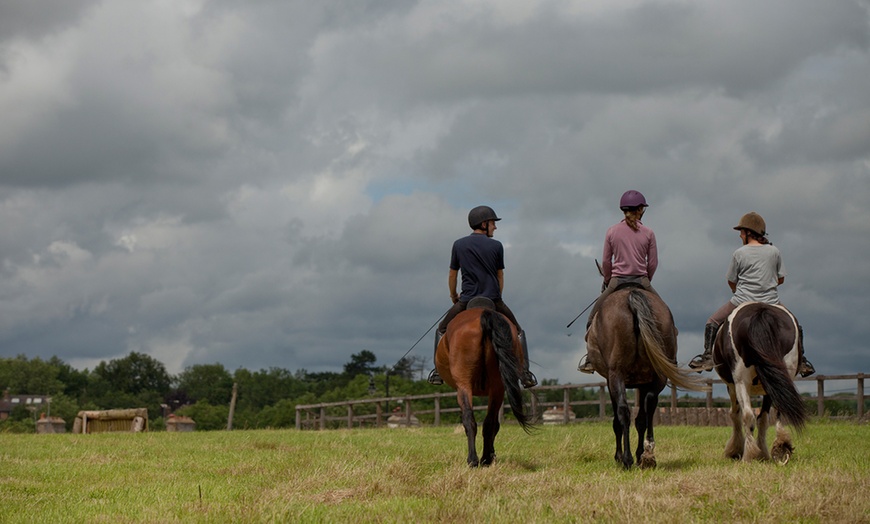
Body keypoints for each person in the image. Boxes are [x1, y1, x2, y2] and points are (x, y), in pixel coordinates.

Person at [688, 212, 815, 376]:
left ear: (749, 232)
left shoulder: (739, 253)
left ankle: (707, 358)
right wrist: (765, 285)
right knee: (795, 324)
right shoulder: (774, 251)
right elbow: (781, 279)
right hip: (771, 301)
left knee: (712, 321)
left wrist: (738, 290)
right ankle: (802, 361)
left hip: (742, 300)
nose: (740, 235)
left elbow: (731, 281)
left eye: (741, 231)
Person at [427, 205, 537, 388]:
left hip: (466, 301)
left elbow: (452, 274)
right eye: (493, 223)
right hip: (493, 300)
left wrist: (453, 295)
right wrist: (497, 296)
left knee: (441, 329)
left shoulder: (458, 244)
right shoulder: (496, 246)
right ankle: (525, 373)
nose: (495, 227)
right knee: (517, 332)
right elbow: (500, 275)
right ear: (484, 223)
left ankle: (438, 372)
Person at [578, 190, 660, 374]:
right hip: (641, 280)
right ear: (640, 210)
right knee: (667, 317)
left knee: (592, 319)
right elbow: (653, 263)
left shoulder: (612, 231)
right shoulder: (648, 233)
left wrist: (608, 280)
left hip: (617, 282)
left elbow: (606, 262)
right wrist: (646, 280)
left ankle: (591, 358)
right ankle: (670, 354)